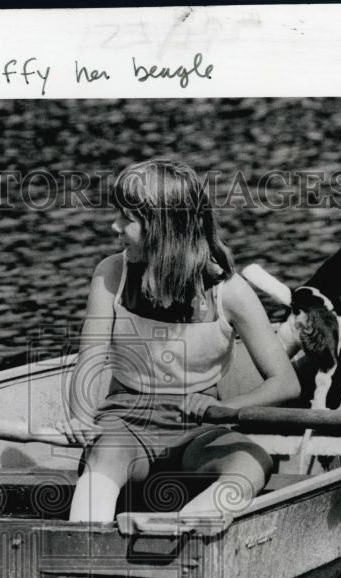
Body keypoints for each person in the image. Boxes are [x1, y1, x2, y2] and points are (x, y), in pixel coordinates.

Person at [56, 159, 300, 523]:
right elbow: (89, 358)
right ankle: (86, 543)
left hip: (199, 428)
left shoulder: (229, 292)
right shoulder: (111, 274)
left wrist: (227, 409)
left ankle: (179, 532)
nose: (114, 227)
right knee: (103, 457)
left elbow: (286, 383)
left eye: (127, 218)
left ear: (165, 228)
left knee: (252, 462)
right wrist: (78, 417)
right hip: (126, 423)